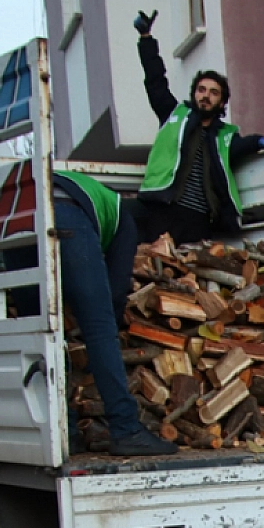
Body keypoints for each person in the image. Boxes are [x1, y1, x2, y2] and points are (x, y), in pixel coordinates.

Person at [53, 170, 177, 456]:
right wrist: (114, 321)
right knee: (100, 328)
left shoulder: (93, 193)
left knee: (42, 333)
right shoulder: (124, 219)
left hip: (20, 215)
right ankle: (126, 429)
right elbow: (116, 289)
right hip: (65, 211)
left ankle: (64, 432)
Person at [130, 8, 264, 246]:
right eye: (201, 90)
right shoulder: (174, 115)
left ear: (222, 101)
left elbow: (242, 145)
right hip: (163, 209)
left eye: (213, 93)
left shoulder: (224, 137)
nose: (206, 96)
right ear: (194, 93)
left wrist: (258, 140)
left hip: (198, 220)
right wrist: (146, 40)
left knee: (189, 276)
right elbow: (155, 81)